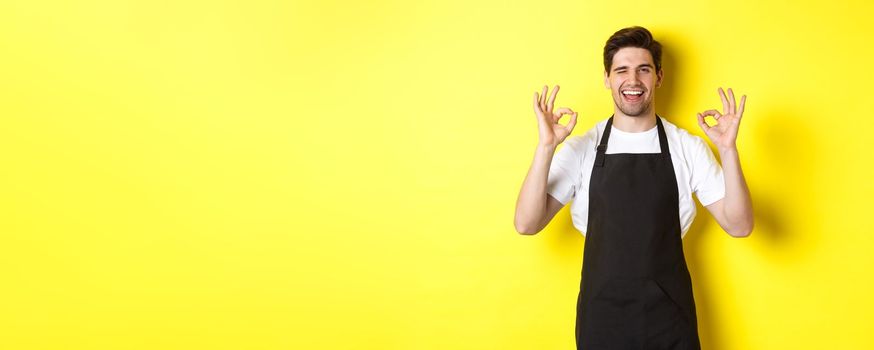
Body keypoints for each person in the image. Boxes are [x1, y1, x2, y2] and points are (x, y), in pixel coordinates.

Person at [513, 26, 753, 349]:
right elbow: (527, 223)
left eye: (644, 69)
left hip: (670, 323)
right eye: (621, 70)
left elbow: (739, 225)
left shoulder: (686, 147)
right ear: (607, 79)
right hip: (602, 323)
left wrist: (728, 150)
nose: (633, 80)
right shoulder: (583, 148)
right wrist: (546, 147)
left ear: (659, 77)